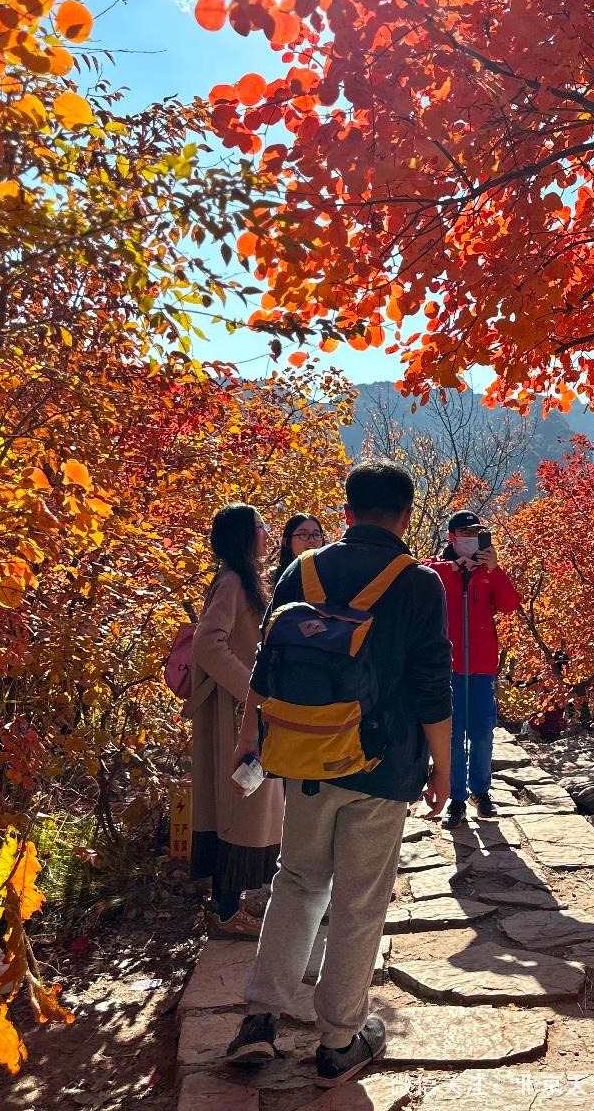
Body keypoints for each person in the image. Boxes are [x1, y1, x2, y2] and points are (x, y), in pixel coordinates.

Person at [224, 462, 452, 1087]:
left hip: (304, 758)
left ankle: (260, 1021)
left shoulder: (304, 569)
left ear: (346, 512)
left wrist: (250, 736)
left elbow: (267, 660)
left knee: (297, 881)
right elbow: (433, 686)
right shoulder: (419, 583)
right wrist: (442, 769)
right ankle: (338, 1041)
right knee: (358, 901)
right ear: (406, 516)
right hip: (383, 765)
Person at [189, 503, 285, 937]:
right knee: (238, 807)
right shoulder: (231, 581)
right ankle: (225, 912)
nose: (267, 532)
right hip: (235, 715)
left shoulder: (243, 579)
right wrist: (252, 689)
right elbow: (208, 644)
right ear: (245, 535)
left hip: (245, 711)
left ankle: (230, 906)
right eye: (261, 526)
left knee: (246, 804)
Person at [426, 510, 520, 826]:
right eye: (465, 533)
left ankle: (481, 791)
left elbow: (509, 605)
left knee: (482, 733)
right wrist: (451, 568)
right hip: (449, 668)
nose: (471, 538)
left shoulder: (487, 572)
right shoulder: (437, 570)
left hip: (481, 667)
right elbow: (420, 575)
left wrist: (495, 570)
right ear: (451, 537)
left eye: (476, 533)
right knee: (453, 735)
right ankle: (456, 797)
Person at [270, 513, 327, 586]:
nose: (312, 540)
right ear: (286, 542)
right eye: (303, 534)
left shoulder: (333, 575)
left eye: (316, 534)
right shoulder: (271, 579)